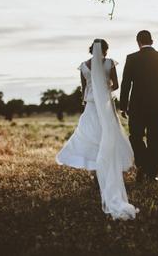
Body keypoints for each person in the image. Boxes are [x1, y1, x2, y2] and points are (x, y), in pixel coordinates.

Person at [56, 39, 138, 220]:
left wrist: (90, 94)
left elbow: (83, 88)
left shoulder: (84, 66)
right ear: (106, 50)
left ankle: (96, 172)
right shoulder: (109, 63)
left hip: (92, 106)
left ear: (91, 50)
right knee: (109, 136)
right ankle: (108, 171)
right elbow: (115, 85)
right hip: (106, 106)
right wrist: (104, 86)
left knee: (91, 137)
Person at [120, 30, 158, 183]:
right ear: (152, 41)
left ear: (138, 42)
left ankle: (142, 165)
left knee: (135, 137)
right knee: (154, 140)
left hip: (137, 106)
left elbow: (125, 84)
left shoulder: (132, 58)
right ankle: (152, 174)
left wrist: (123, 106)